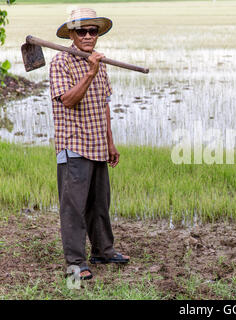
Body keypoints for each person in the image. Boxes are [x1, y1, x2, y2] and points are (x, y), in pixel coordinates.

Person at [49, 8, 129, 280]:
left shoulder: (100, 62)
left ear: (98, 34)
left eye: (92, 31)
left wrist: (111, 143)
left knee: (99, 203)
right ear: (71, 34)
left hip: (97, 144)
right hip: (74, 145)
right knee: (74, 207)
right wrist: (89, 73)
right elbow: (69, 100)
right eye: (81, 31)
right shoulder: (61, 62)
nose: (87, 35)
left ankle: (103, 250)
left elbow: (104, 105)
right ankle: (75, 263)